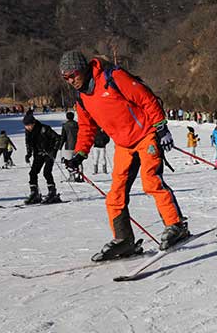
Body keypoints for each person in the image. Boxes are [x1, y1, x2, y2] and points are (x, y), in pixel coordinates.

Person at [58, 50, 188, 259]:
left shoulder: (112, 77)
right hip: (123, 145)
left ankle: (176, 225)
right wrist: (80, 154)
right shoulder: (82, 97)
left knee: (151, 181)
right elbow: (86, 128)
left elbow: (146, 98)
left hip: (145, 134)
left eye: (72, 74)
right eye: (66, 77)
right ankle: (124, 240)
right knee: (115, 195)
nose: (70, 80)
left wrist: (161, 127)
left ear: (82, 69)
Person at [23, 114, 62, 204]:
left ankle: (52, 192)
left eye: (28, 125)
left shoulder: (44, 128)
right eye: (25, 125)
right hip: (38, 154)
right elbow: (28, 143)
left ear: (33, 123)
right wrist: (28, 154)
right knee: (32, 173)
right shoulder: (28, 132)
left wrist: (53, 150)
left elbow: (58, 139)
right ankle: (34, 193)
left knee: (47, 172)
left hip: (49, 153)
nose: (27, 127)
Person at [60, 111, 82, 182]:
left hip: (69, 146)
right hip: (78, 145)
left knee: (69, 162)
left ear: (67, 117)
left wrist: (60, 146)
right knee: (79, 161)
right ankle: (80, 176)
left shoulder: (65, 125)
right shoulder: (78, 125)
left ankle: (72, 177)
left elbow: (63, 137)